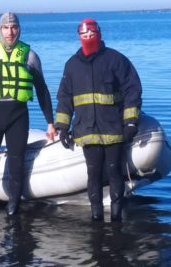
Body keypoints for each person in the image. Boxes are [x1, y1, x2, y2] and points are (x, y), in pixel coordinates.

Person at [0, 12, 56, 221]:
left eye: (14, 27)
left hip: (18, 116)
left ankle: (13, 210)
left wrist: (50, 122)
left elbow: (42, 91)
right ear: (0, 29)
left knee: (17, 164)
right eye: (6, 28)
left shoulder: (30, 55)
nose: (10, 32)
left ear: (19, 29)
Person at [55, 18, 142, 222]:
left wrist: (130, 122)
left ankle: (116, 218)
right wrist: (62, 127)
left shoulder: (116, 60)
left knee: (114, 172)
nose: (88, 39)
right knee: (92, 175)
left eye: (91, 35)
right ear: (79, 37)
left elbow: (132, 90)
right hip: (86, 130)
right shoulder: (72, 65)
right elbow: (64, 97)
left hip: (113, 129)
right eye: (84, 36)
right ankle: (96, 219)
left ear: (99, 34)